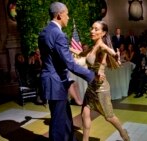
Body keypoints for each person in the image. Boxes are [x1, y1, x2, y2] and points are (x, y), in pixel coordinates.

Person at [38, 2, 95, 141]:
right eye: (67, 14)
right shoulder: (58, 34)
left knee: (64, 117)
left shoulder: (44, 32)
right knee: (58, 123)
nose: (68, 17)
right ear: (59, 15)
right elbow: (69, 63)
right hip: (56, 82)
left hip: (51, 81)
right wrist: (91, 75)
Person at [81, 21, 130, 141]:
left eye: (96, 29)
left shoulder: (102, 47)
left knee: (109, 117)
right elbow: (83, 56)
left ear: (103, 33)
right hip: (91, 87)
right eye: (92, 28)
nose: (92, 31)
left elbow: (110, 53)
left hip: (101, 89)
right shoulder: (93, 46)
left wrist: (116, 56)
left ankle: (124, 134)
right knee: (84, 114)